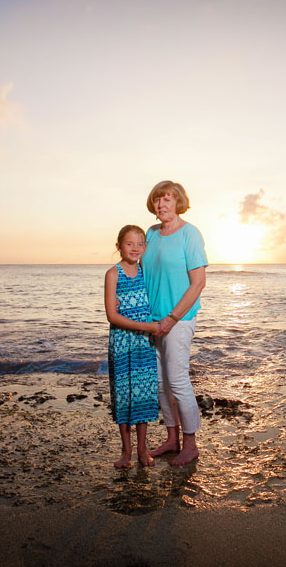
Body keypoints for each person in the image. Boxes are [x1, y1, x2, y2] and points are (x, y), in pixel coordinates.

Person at [142, 181, 208, 466]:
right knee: (160, 384)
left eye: (167, 199)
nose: (161, 205)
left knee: (178, 380)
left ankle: (190, 445)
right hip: (152, 321)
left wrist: (171, 319)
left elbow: (198, 283)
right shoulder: (150, 234)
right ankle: (172, 439)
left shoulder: (190, 234)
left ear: (178, 202)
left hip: (179, 320)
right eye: (157, 200)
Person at [104, 225, 161, 468]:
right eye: (130, 244)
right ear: (119, 246)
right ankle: (126, 451)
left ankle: (141, 449)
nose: (135, 248)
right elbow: (111, 315)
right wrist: (147, 327)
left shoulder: (146, 272)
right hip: (122, 342)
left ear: (145, 248)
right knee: (124, 396)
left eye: (140, 244)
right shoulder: (113, 274)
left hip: (144, 344)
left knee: (144, 395)